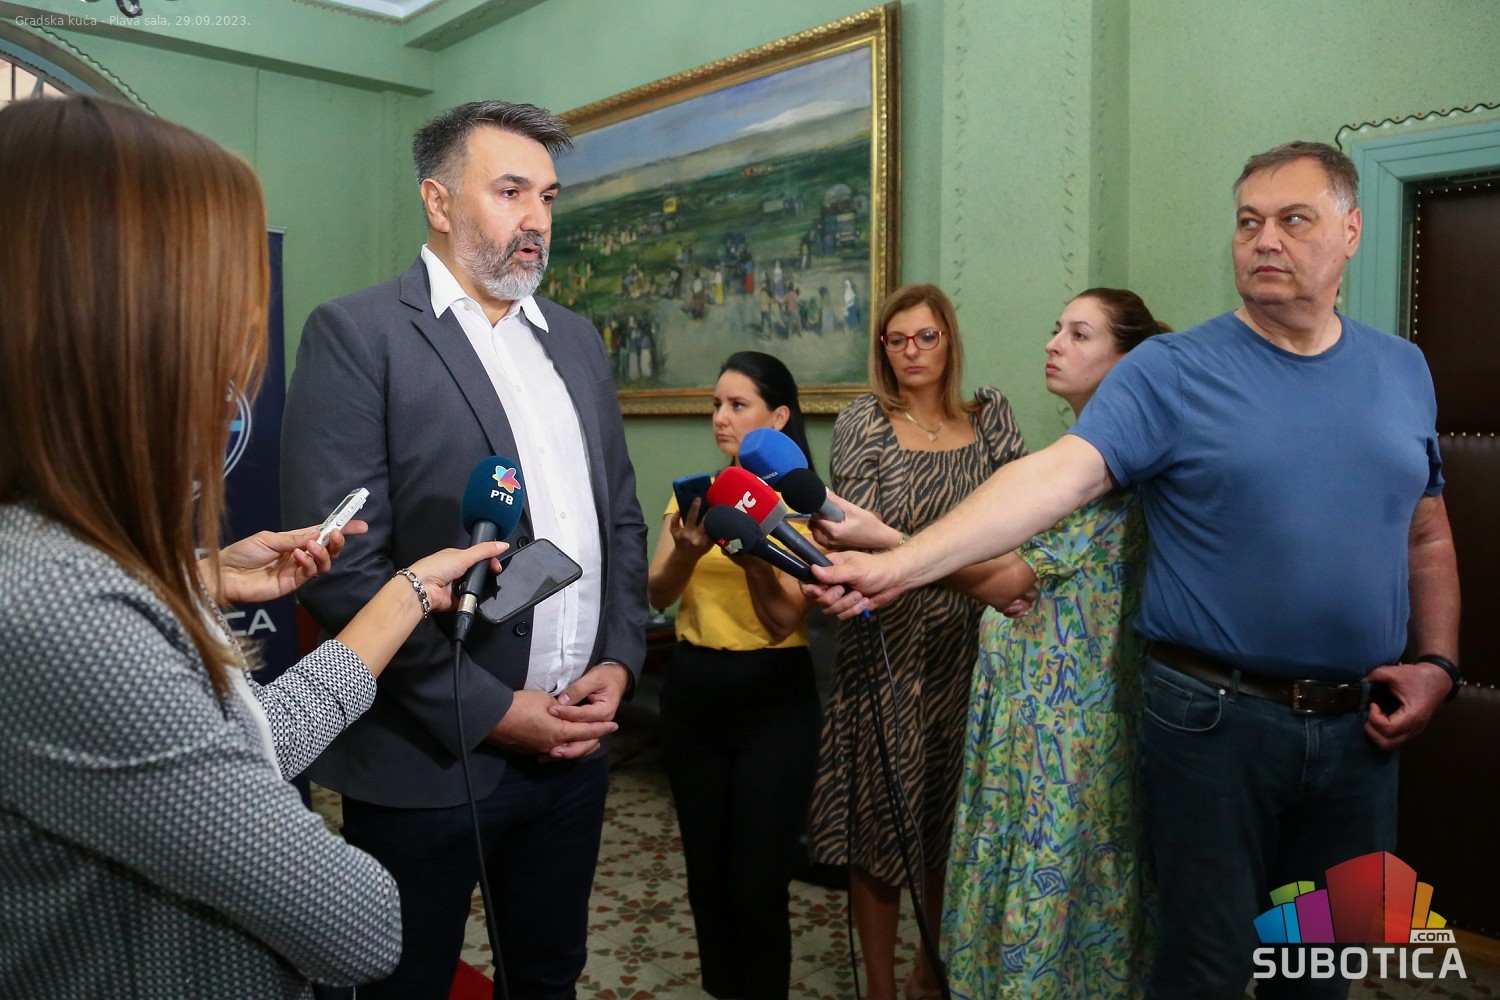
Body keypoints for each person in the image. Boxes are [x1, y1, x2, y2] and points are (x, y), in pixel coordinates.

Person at [811, 143, 1460, 1000]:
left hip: (1357, 734)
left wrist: (1438, 662)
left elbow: (1427, 535)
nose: (1265, 239)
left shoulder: (1402, 368)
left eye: (1293, 219)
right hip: (1215, 722)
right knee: (1203, 967)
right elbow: (1054, 479)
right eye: (1248, 222)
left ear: (1351, 230)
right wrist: (899, 565)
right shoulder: (1175, 370)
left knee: (1319, 968)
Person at [0, 95, 507, 1000]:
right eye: (221, 290)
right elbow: (356, 926)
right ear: (121, 318)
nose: (241, 345)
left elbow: (248, 747)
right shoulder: (68, 607)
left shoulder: (63, 558)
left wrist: (403, 592)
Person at [281, 100, 648, 1000]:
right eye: (511, 191)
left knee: (548, 976)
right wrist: (487, 709)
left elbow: (620, 522)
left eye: (548, 197)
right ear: (439, 202)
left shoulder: (577, 340)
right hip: (425, 758)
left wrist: (619, 659)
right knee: (405, 984)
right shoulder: (359, 335)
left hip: (572, 749)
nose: (537, 220)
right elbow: (345, 570)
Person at [942, 289, 1168, 998]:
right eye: (1055, 329)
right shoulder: (1064, 469)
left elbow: (1003, 577)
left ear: (1126, 362)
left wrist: (888, 548)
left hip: (1065, 741)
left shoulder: (1109, 483)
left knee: (1058, 901)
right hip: (1022, 723)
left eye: (1079, 333)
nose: (1053, 344)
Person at [806, 284, 1027, 1000]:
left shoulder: (990, 419)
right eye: (896, 340)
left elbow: (1023, 529)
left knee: (951, 825)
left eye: (925, 337)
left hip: (975, 649)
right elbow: (853, 537)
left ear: (949, 340)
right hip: (890, 649)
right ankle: (881, 987)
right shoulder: (865, 421)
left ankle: (933, 973)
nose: (911, 352)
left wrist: (923, 553)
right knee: (883, 827)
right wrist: (948, 556)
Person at [646, 351, 823, 1000]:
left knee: (756, 884)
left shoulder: (801, 505)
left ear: (778, 418)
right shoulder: (694, 496)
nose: (720, 417)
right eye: (716, 404)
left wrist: (751, 557)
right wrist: (688, 555)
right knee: (707, 880)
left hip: (773, 703)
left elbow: (783, 620)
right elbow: (657, 592)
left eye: (737, 405)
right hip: (693, 695)